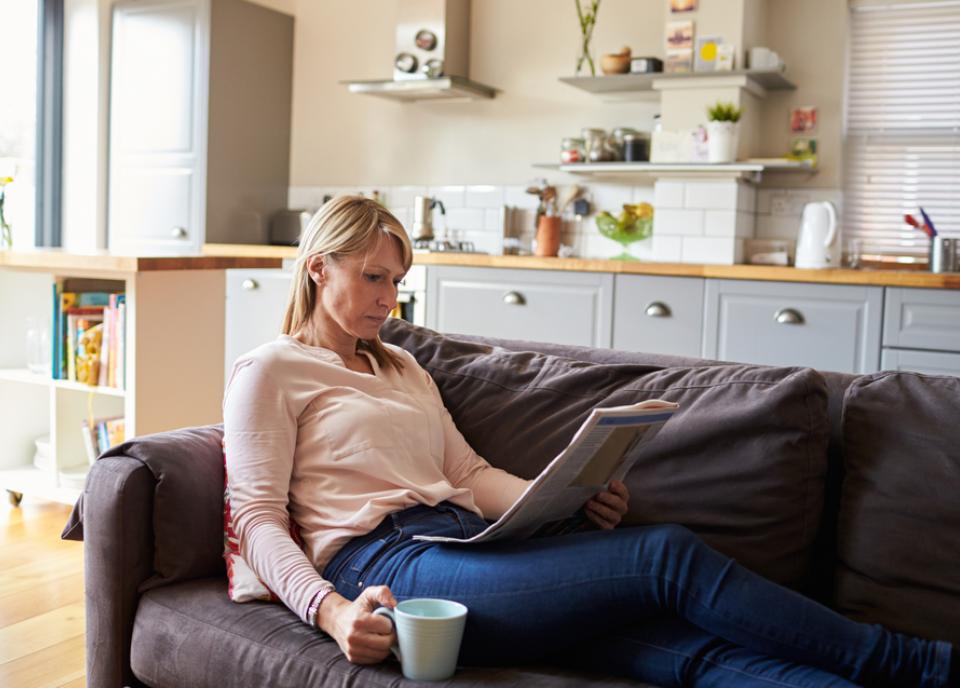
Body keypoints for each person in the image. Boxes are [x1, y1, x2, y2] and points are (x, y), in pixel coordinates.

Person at [224, 195, 957, 688]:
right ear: (319, 268)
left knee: (692, 652)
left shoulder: (404, 366)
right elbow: (255, 516)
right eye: (374, 278)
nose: (389, 298)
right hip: (388, 565)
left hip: (475, 546)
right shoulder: (272, 370)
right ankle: (919, 663)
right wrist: (332, 612)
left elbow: (468, 472)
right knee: (662, 555)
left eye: (399, 281)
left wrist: (557, 500)